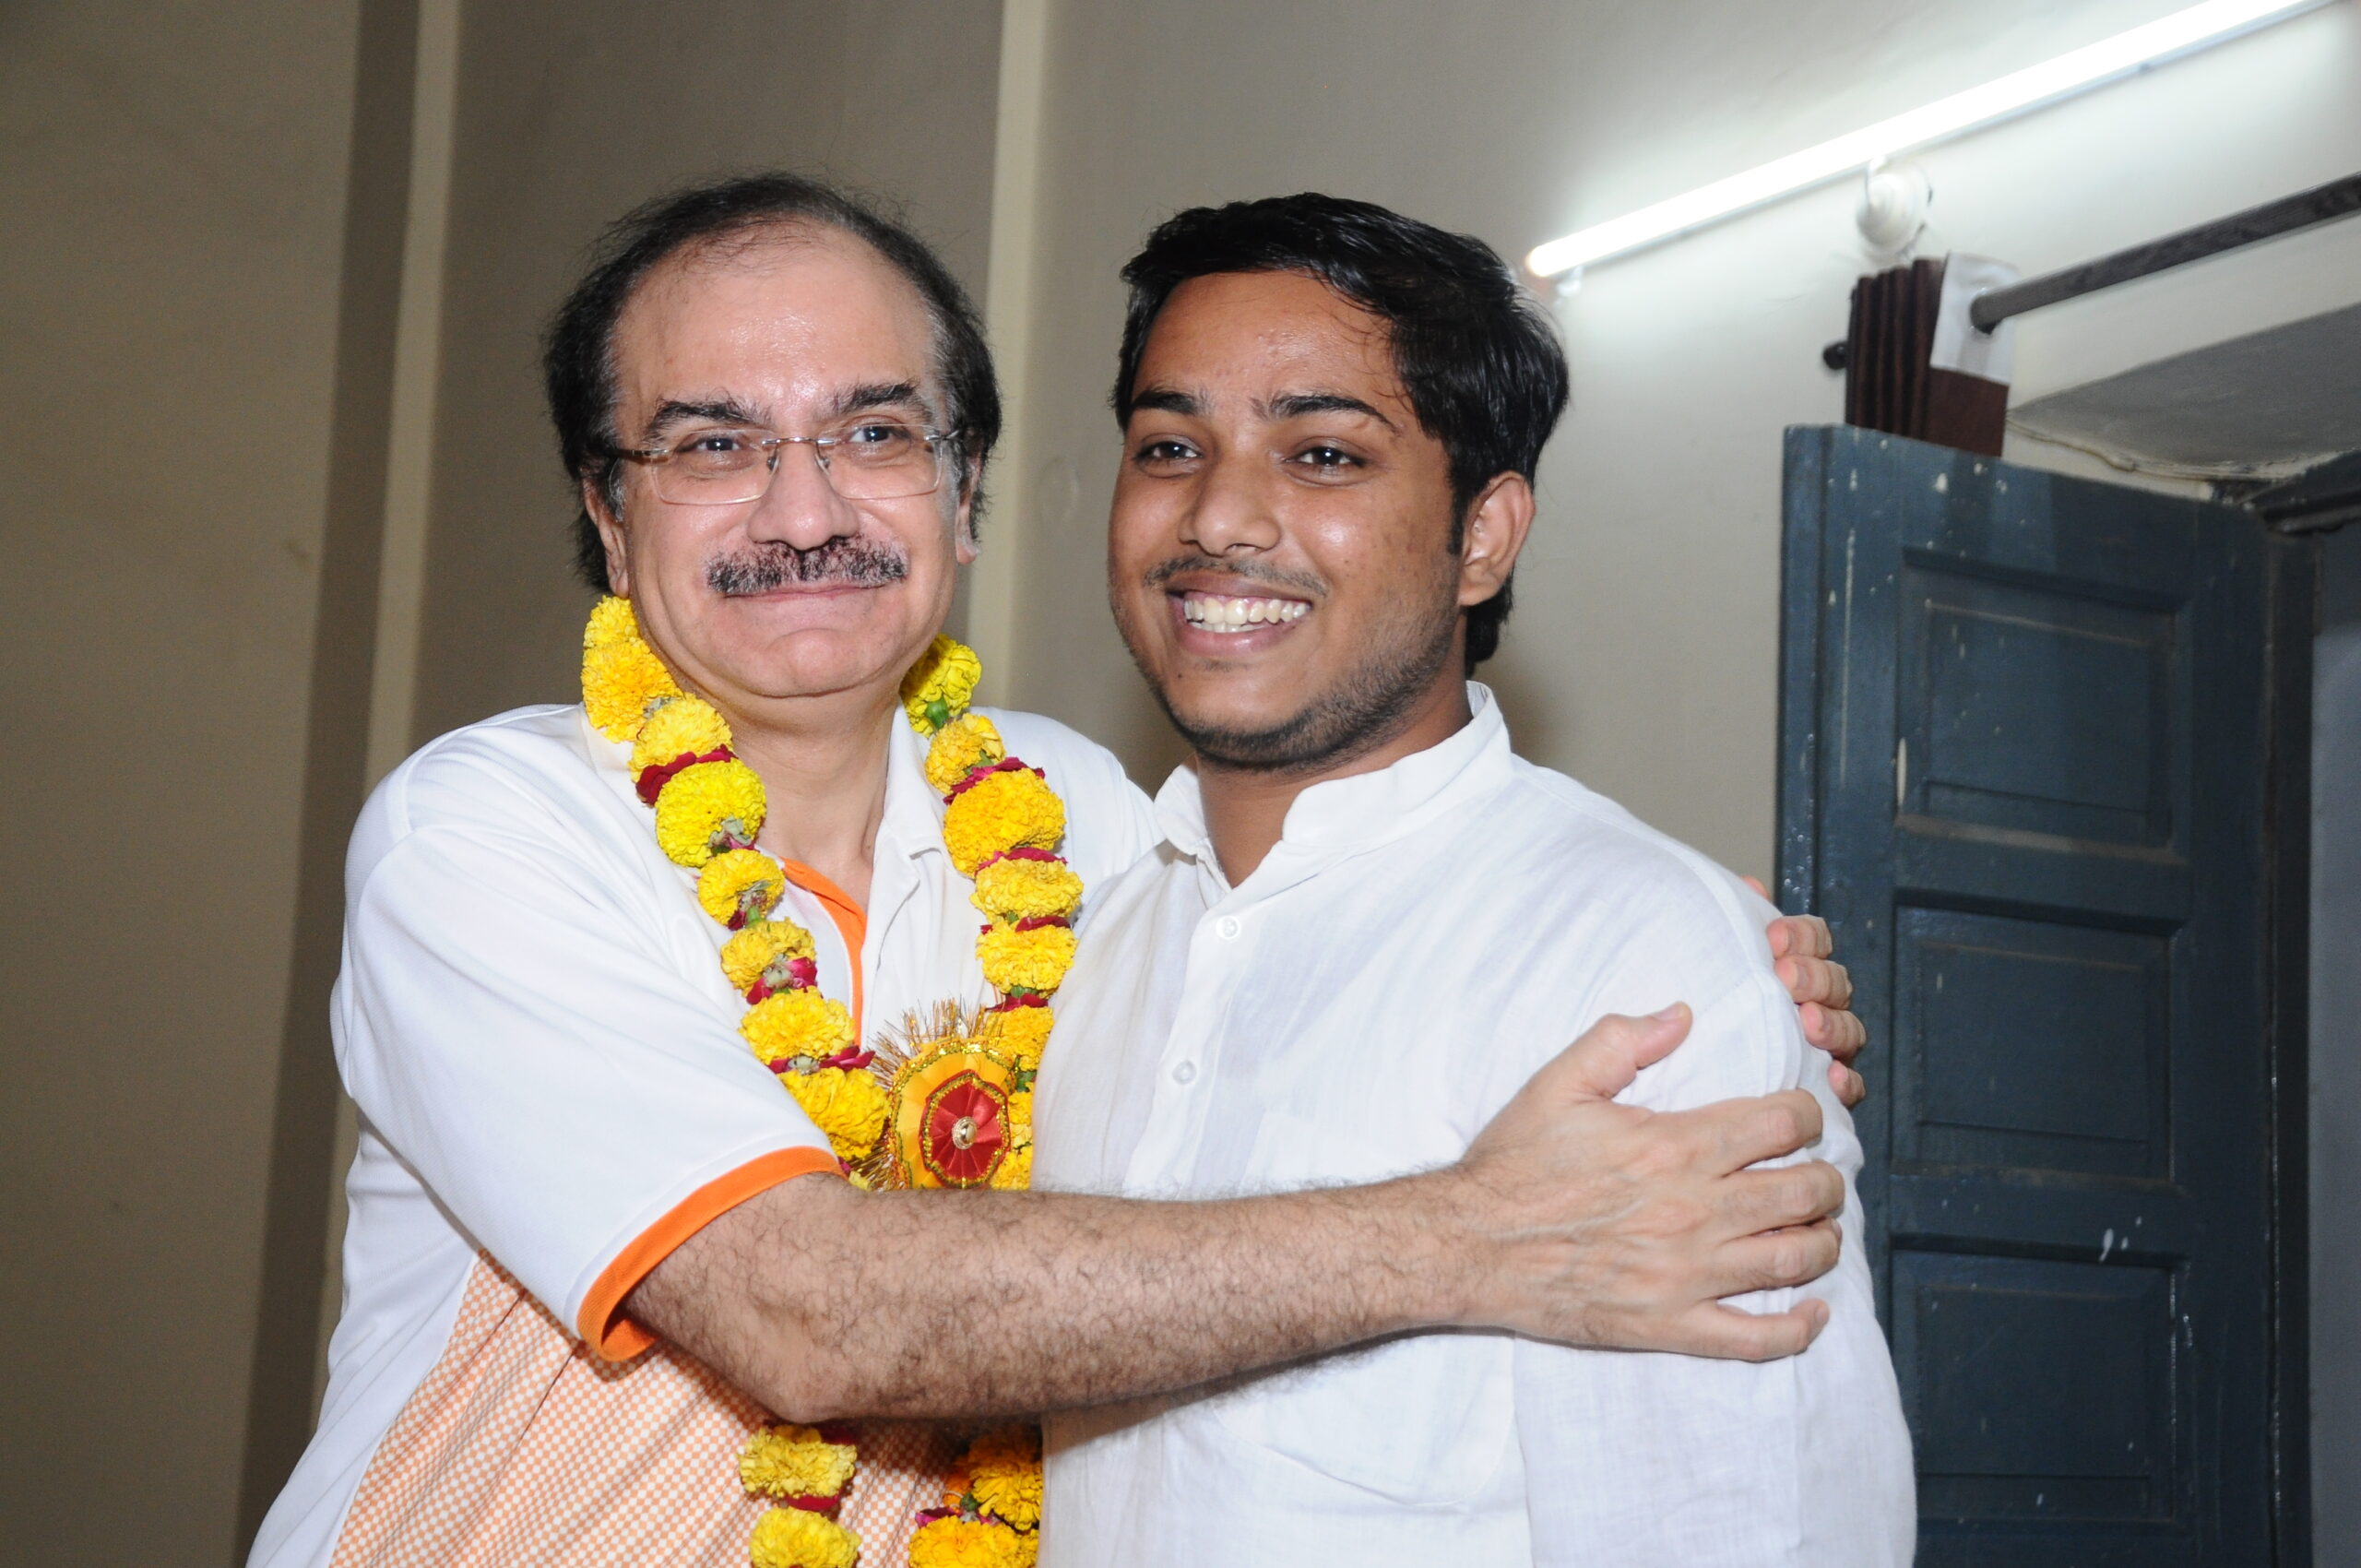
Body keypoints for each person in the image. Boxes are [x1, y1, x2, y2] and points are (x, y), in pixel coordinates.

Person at [250, 173, 1868, 1568]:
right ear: (610, 518)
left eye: (874, 431)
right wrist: (1480, 1235)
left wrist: (1702, 951)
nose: (802, 510)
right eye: (713, 443)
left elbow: (1379, 870)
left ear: (964, 495)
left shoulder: (1079, 827)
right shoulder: (491, 835)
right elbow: (806, 1313)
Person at [1031, 194, 1915, 1566]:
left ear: (1485, 536)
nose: (1219, 516)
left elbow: (1755, 1531)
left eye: (1324, 454)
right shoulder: (1096, 927)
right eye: (1170, 447)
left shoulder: (1639, 966)